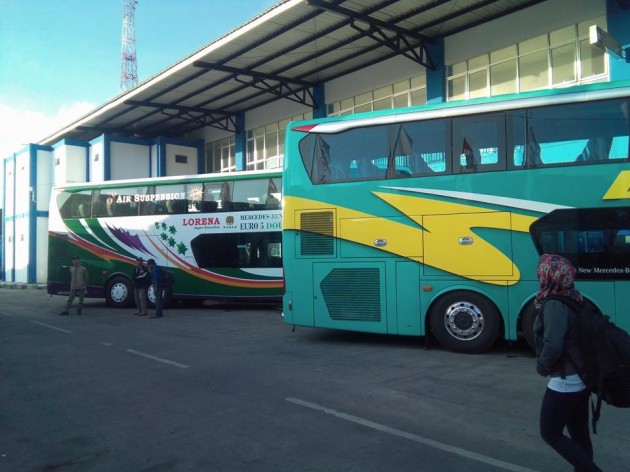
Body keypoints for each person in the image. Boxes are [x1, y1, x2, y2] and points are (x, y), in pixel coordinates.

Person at [533, 254, 602, 472]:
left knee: (550, 433)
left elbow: (554, 344)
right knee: (579, 435)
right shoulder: (574, 296)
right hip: (581, 377)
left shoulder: (554, 304)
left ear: (549, 276)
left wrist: (542, 366)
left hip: (566, 379)